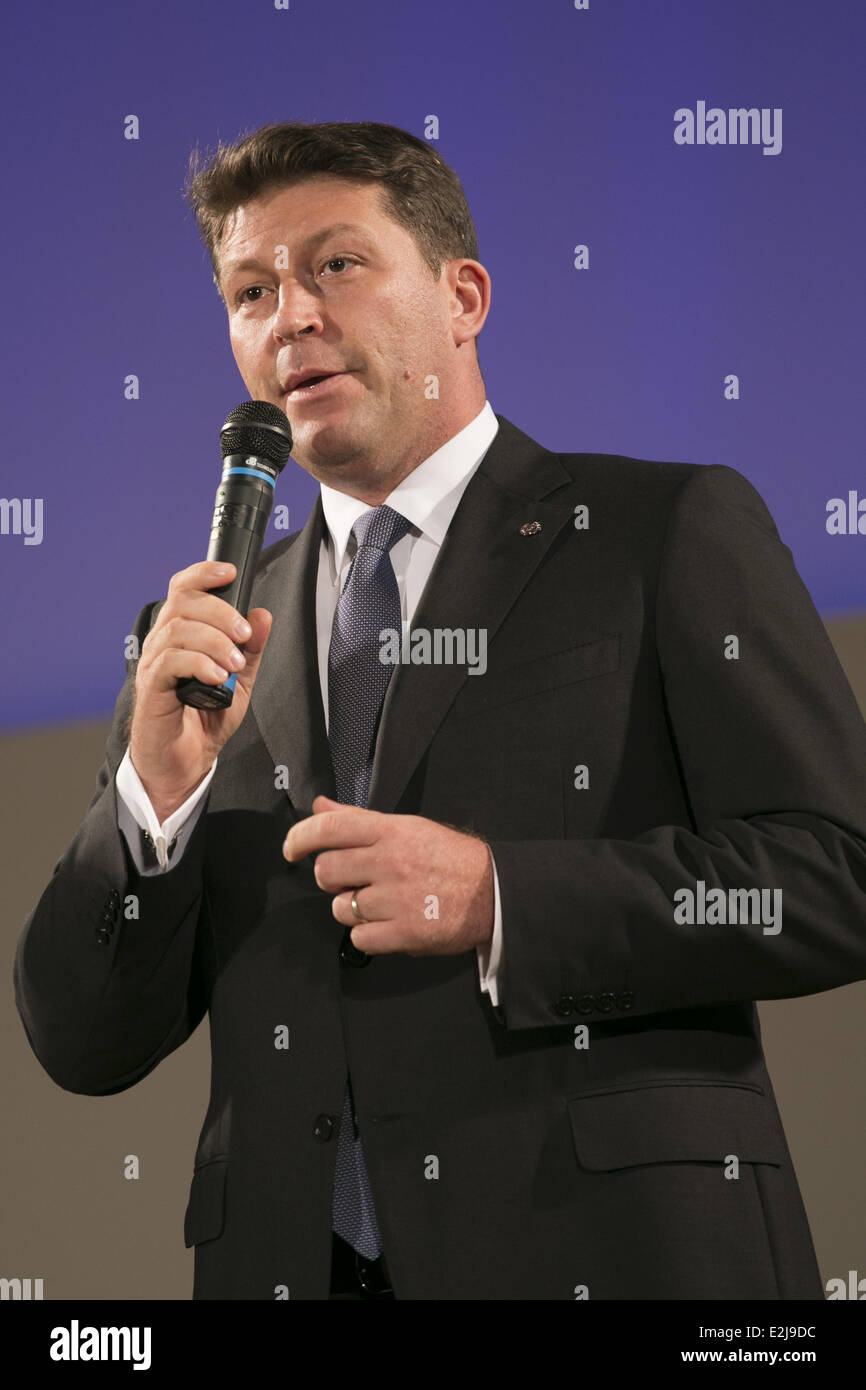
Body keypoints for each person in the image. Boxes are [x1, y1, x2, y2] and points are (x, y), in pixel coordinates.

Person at [14, 120, 866, 1301]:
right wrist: (150, 804)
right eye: (249, 289)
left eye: (335, 265)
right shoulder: (198, 637)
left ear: (461, 296)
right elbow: (81, 1041)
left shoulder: (656, 532)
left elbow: (835, 871)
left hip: (608, 1255)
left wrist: (499, 899)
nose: (289, 316)